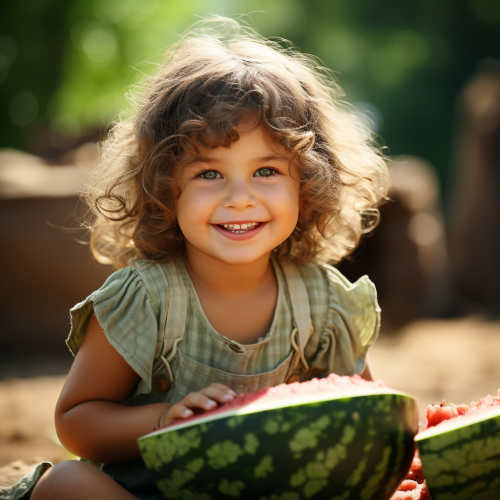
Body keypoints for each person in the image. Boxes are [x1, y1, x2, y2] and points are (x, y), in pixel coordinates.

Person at [10, 16, 389, 500]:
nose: (240, 198)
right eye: (209, 174)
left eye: (267, 170)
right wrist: (165, 419)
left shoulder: (322, 302)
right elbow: (76, 423)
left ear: (310, 184)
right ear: (165, 187)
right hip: (148, 492)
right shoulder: (146, 298)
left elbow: (368, 411)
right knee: (64, 485)